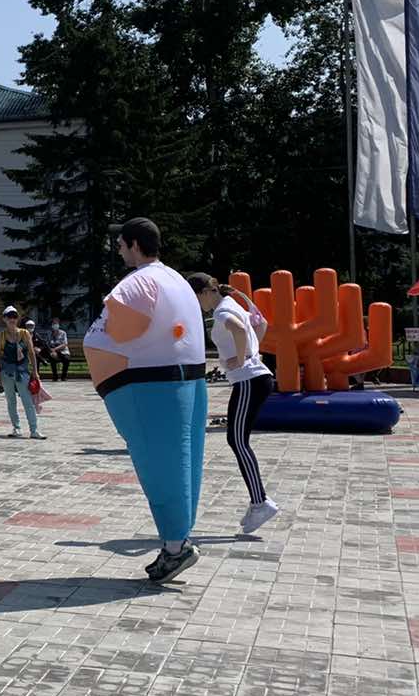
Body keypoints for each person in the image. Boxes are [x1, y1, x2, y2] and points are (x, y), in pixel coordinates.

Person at [84, 217, 207, 583]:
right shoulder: (177, 280)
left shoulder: (140, 282)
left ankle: (176, 546)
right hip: (183, 381)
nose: (118, 249)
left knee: (160, 466)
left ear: (135, 245)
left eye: (121, 244)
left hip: (150, 386)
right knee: (181, 463)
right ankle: (177, 538)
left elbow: (120, 331)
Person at [189, 274, 279, 534]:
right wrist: (250, 353)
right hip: (254, 379)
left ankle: (260, 502)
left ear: (205, 293)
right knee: (237, 440)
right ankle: (259, 501)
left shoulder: (221, 312)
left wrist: (241, 359)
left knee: (237, 441)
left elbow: (240, 330)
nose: (197, 306)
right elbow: (261, 325)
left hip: (249, 380)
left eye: (196, 299)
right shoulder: (232, 304)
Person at [0, 307, 45, 440]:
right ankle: (16, 428)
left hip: (22, 372)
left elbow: (31, 353)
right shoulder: (2, 335)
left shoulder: (24, 333)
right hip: (7, 372)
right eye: (9, 317)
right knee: (11, 402)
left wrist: (35, 372)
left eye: (14, 316)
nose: (12, 319)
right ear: (4, 319)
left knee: (27, 401)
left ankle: (34, 430)